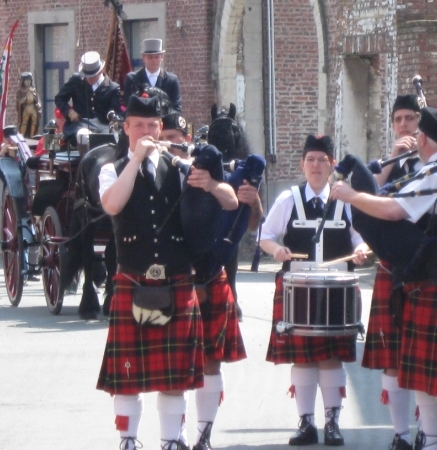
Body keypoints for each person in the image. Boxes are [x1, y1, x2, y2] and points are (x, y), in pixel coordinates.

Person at [331, 106, 437, 450]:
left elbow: (393, 210)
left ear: (425, 137)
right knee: (425, 379)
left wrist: (351, 195)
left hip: (432, 282)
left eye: (418, 133)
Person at [96, 94, 238, 450]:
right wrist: (137, 159)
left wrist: (208, 182)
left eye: (152, 125)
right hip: (133, 279)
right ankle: (128, 440)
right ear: (126, 128)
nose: (146, 131)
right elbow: (112, 203)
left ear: (161, 127)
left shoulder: (179, 167)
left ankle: (171, 442)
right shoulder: (112, 168)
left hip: (175, 280)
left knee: (174, 378)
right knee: (127, 377)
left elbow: (230, 200)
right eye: (138, 125)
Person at [159, 112, 261, 450]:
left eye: (178, 139)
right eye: (166, 137)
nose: (172, 146)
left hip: (210, 277)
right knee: (172, 367)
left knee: (211, 361)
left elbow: (234, 204)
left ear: (187, 141)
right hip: (169, 283)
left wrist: (213, 184)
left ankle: (204, 435)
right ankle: (174, 439)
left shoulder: (207, 173)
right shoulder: (151, 175)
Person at [260, 134, 369, 447]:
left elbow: (359, 238)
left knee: (331, 358)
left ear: (332, 165)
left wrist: (360, 248)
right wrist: (277, 250)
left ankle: (332, 422)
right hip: (297, 286)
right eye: (311, 160)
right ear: (302, 164)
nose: (316, 165)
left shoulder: (347, 200)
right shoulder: (288, 199)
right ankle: (306, 423)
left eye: (323, 160)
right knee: (303, 359)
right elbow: (266, 236)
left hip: (337, 288)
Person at [363, 94, 424, 450]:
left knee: (422, 357)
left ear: (420, 124)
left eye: (410, 119)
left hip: (424, 271)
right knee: (393, 358)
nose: (404, 125)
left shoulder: (433, 165)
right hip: (390, 269)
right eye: (398, 119)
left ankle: (427, 431)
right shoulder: (382, 164)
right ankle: (401, 434)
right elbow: (366, 200)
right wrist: (390, 160)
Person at [55, 51, 121, 148]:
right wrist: (69, 112)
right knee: (83, 136)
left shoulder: (113, 88)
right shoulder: (76, 80)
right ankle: (85, 161)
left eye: (92, 76)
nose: (88, 79)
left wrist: (113, 118)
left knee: (111, 138)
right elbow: (60, 98)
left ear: (100, 71)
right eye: (86, 76)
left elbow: (115, 109)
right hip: (81, 124)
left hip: (103, 124)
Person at [124, 39, 182, 112]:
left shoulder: (172, 80)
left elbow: (176, 108)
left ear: (162, 58)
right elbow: (129, 106)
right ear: (143, 58)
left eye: (157, 57)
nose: (154, 60)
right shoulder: (132, 79)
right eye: (150, 57)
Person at [16, 72, 41, 138]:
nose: (28, 82)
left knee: (34, 123)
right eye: (26, 80)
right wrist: (22, 101)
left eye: (29, 80)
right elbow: (18, 102)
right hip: (26, 108)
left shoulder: (33, 89)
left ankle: (32, 136)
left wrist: (38, 104)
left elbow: (37, 99)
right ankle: (22, 136)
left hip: (33, 108)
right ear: (23, 81)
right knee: (24, 123)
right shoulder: (20, 91)